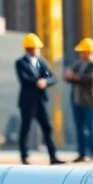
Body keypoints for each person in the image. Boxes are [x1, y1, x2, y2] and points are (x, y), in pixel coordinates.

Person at [14, 33, 64, 165]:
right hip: (27, 102)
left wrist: (45, 82)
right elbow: (24, 79)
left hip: (41, 101)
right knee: (25, 128)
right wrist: (37, 82)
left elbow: (52, 78)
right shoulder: (20, 63)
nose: (35, 50)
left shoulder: (42, 63)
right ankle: (24, 157)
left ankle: (53, 157)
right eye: (33, 48)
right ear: (27, 49)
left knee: (47, 127)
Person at [64, 38, 93, 162]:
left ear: (89, 52)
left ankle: (92, 153)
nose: (81, 54)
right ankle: (81, 153)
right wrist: (71, 76)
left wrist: (76, 76)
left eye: (83, 51)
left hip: (89, 101)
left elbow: (91, 79)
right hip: (76, 101)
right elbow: (70, 78)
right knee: (79, 128)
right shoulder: (78, 64)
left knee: (90, 127)